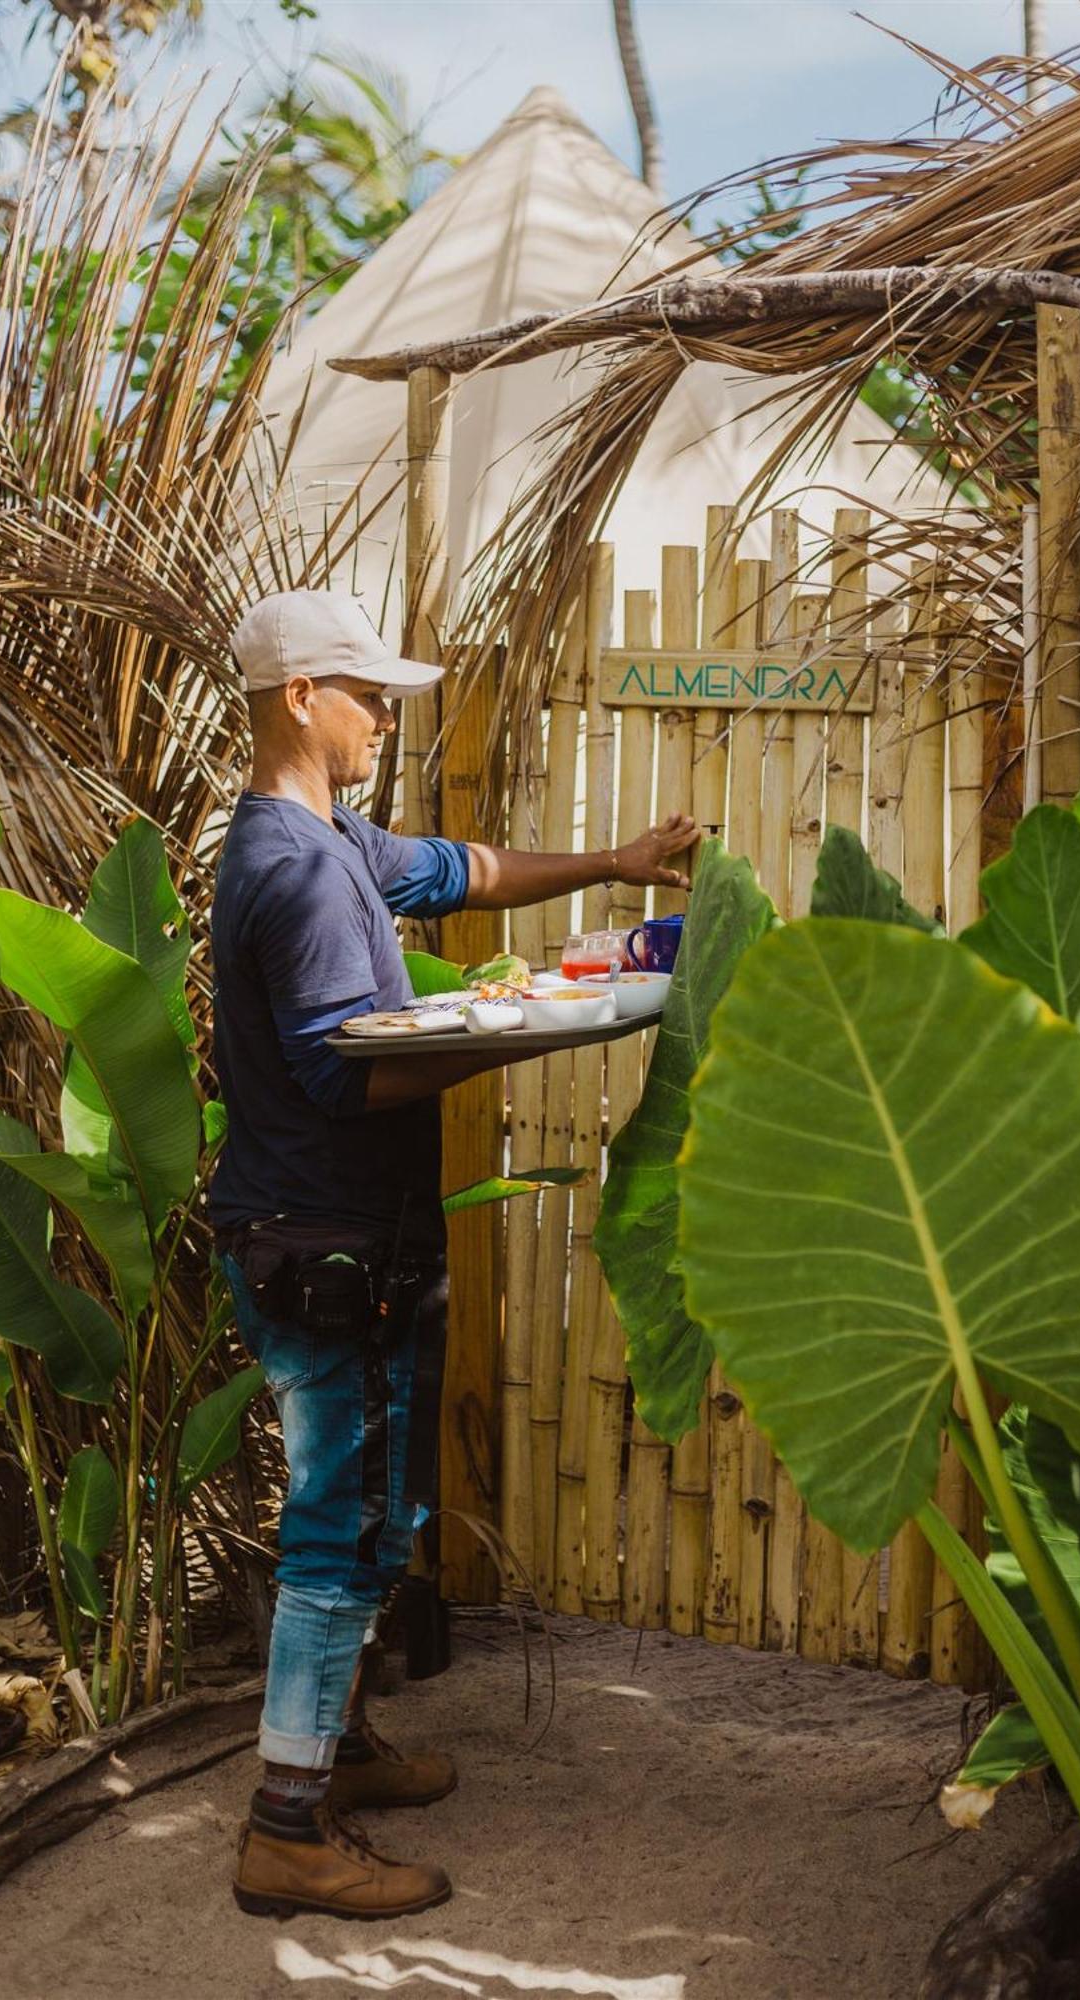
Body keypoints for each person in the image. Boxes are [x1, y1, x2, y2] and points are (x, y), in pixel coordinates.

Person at [211, 588, 697, 1920]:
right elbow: (334, 1075)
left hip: (343, 1234)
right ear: (300, 698)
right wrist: (539, 1031)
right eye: (368, 694)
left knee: (375, 1520)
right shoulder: (298, 868)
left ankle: (342, 1750)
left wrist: (614, 863)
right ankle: (285, 1829)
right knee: (333, 1530)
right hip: (323, 1242)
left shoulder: (319, 837)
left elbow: (455, 871)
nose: (386, 715)